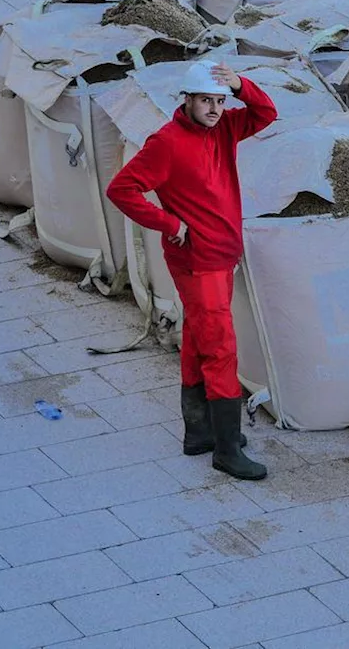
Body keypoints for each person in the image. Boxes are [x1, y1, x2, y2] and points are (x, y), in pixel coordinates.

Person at [107, 59, 277, 481]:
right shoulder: (166, 143)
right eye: (206, 101)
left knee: (199, 340)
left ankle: (198, 433)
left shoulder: (223, 128)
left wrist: (240, 85)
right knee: (221, 349)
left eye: (220, 101)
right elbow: (121, 189)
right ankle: (226, 449)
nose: (215, 109)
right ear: (187, 100)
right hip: (198, 261)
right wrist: (169, 223)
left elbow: (266, 113)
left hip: (218, 255)